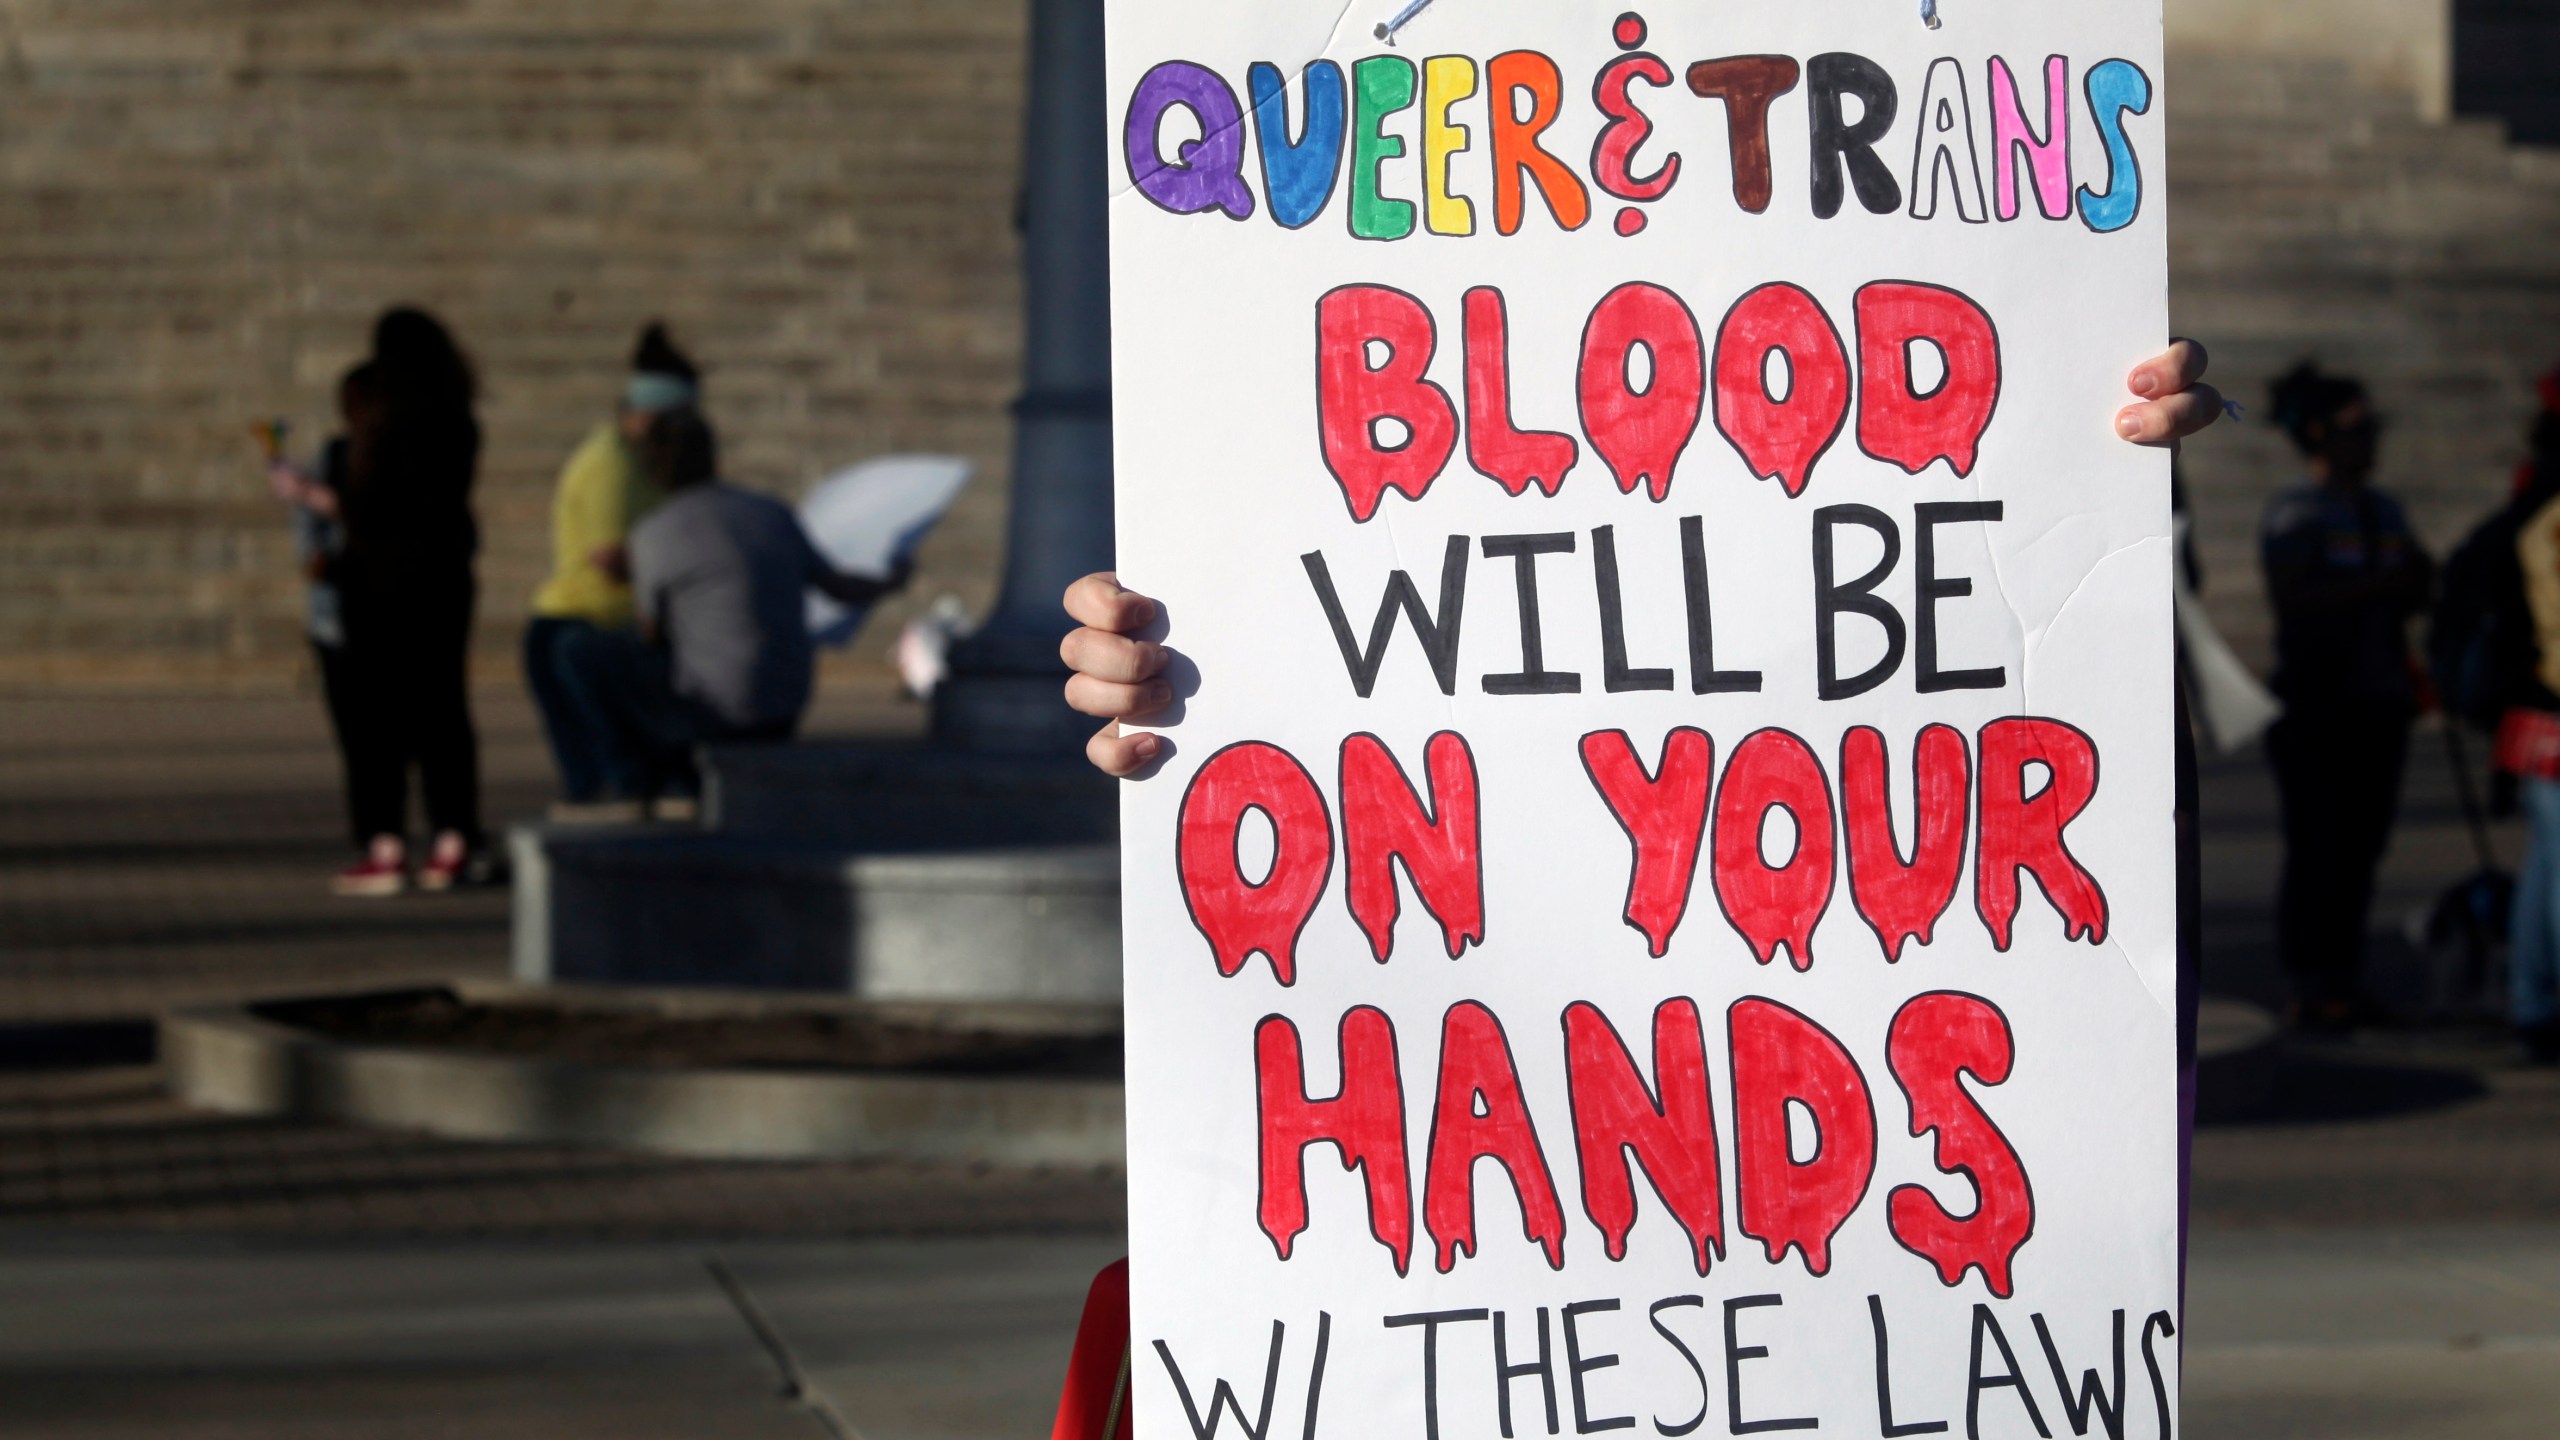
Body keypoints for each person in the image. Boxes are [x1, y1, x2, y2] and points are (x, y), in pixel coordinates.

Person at [553, 408, 908, 804]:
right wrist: (893, 579)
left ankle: (634, 783)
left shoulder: (655, 532)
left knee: (574, 648)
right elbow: (839, 586)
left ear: (652, 466)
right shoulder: (769, 511)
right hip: (784, 708)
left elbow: (652, 635)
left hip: (715, 716)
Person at [281, 307, 486, 895]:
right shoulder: (458, 423)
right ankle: (452, 840)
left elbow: (371, 511)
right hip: (443, 584)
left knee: (372, 723)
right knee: (442, 712)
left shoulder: (375, 432)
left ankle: (385, 844)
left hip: (371, 587)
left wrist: (311, 496)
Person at [2256, 362, 2433, 1031]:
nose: (2371, 442)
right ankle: (2309, 979)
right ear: (2321, 436)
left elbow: (2417, 579)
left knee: (2361, 847)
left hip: (2378, 701)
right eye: (2359, 430)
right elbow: (2294, 599)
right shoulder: (2296, 512)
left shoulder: (2384, 508)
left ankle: (2344, 975)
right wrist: (2381, 590)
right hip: (2316, 704)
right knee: (2316, 847)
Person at [524, 323, 698, 818]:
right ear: (649, 416)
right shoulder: (613, 463)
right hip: (581, 628)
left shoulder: (651, 461)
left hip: (616, 627)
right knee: (604, 785)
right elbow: (610, 559)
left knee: (643, 780)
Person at [2499, 370, 2560, 1062]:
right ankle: (2537, 1000)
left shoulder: (2533, 505)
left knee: (2547, 860)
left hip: (2539, 704)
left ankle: (2532, 999)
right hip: (2552, 703)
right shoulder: (2549, 518)